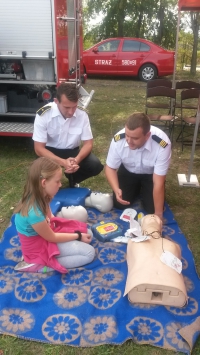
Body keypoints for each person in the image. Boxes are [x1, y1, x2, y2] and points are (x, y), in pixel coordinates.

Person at [14, 157, 95, 273]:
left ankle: (50, 257)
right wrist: (77, 235)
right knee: (89, 253)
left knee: (88, 233)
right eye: (57, 181)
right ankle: (40, 264)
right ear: (43, 183)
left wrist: (75, 231)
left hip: (45, 234)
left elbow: (51, 219)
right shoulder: (34, 212)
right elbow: (52, 237)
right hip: (40, 247)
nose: (60, 184)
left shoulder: (42, 195)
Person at [32, 83, 103, 187]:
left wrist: (76, 160)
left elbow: (88, 144)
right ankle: (53, 181)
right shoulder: (44, 114)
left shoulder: (82, 114)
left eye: (74, 106)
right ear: (56, 101)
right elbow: (39, 149)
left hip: (72, 152)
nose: (71, 112)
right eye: (66, 107)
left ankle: (72, 177)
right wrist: (63, 162)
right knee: (41, 177)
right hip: (50, 152)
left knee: (95, 165)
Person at [105, 112, 171, 220]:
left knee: (152, 209)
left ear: (147, 136)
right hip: (128, 171)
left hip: (151, 175)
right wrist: (116, 189)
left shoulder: (162, 144)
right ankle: (136, 189)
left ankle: (142, 189)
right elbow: (110, 167)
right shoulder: (118, 140)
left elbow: (158, 182)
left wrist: (158, 215)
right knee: (119, 204)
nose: (129, 141)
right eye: (127, 135)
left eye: (135, 138)